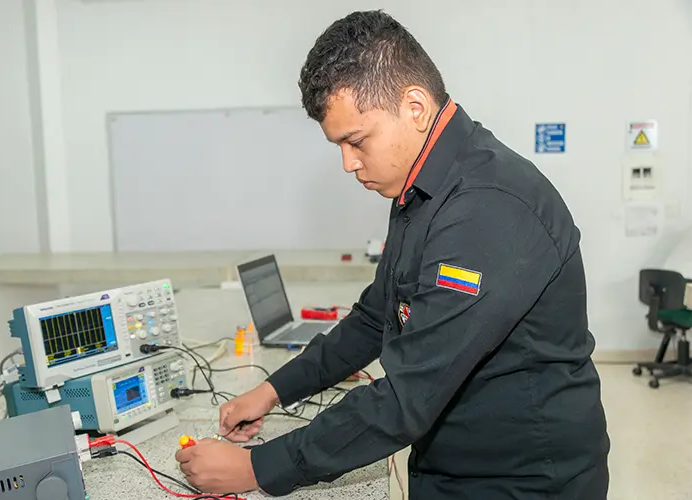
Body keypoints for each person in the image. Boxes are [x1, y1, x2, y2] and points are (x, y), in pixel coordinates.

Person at [175, 10, 610, 499]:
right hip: (455, 464)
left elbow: (408, 394)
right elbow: (375, 316)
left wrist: (258, 467)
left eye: (356, 141)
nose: (348, 163)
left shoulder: (486, 208)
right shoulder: (422, 188)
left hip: (522, 482)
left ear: (415, 107)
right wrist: (273, 390)